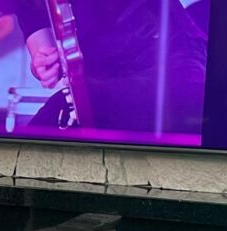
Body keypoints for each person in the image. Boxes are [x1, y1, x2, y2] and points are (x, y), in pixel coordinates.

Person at [15, 0, 207, 134]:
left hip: (169, 62)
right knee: (44, 130)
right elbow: (41, 44)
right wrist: (44, 64)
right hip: (101, 82)